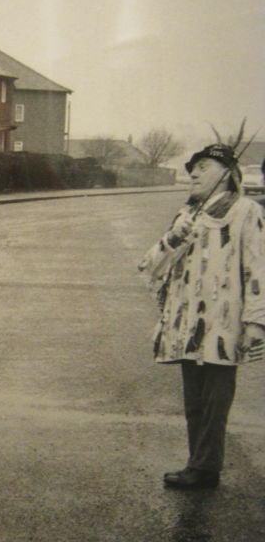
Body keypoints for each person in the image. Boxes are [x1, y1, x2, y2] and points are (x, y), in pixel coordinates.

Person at [139, 143, 265, 489]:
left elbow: (258, 268)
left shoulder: (244, 211)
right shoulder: (187, 214)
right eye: (193, 167)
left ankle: (206, 466)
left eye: (204, 167)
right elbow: (150, 267)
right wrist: (171, 240)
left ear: (226, 174)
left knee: (214, 402)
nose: (193, 173)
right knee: (194, 402)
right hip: (185, 324)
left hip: (224, 324)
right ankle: (199, 464)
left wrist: (256, 322)